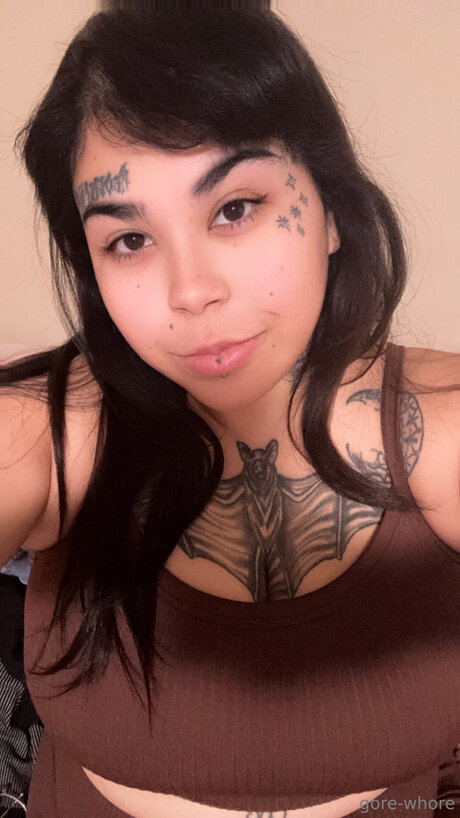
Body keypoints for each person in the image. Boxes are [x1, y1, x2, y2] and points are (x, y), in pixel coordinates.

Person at [1, 7, 459, 818]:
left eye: (235, 207)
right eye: (129, 241)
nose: (191, 291)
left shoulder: (437, 427)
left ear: (331, 210)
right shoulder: (50, 435)